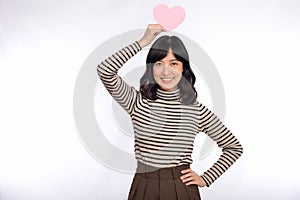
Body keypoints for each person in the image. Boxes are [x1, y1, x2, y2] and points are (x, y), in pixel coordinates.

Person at [97, 24, 243, 200]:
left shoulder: (197, 111)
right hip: (144, 185)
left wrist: (206, 178)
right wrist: (143, 42)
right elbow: (105, 70)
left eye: (173, 63)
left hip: (180, 188)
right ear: (151, 68)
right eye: (159, 63)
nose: (166, 71)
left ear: (183, 68)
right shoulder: (137, 102)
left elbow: (233, 147)